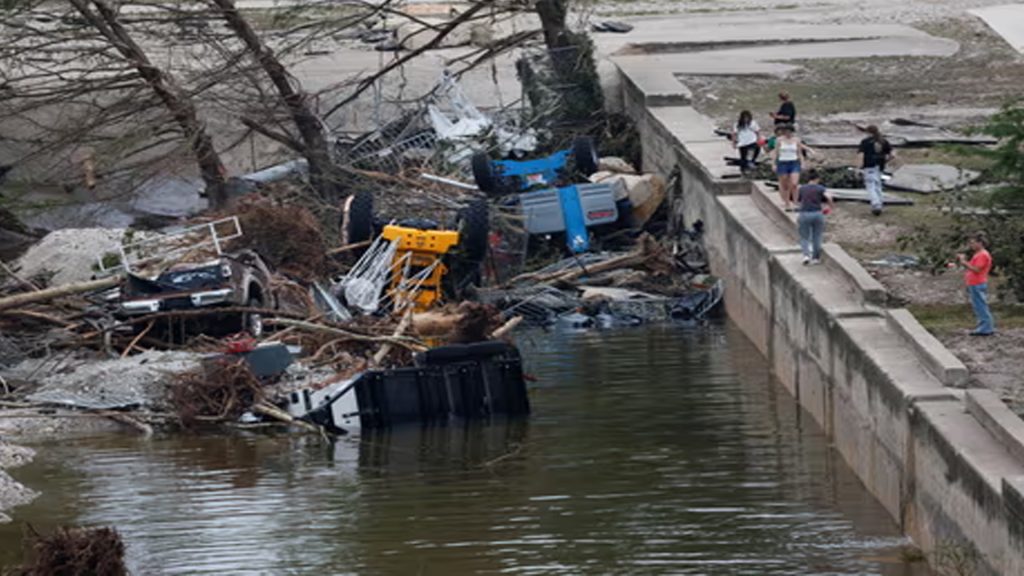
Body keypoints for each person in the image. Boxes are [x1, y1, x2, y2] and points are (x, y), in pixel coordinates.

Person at [957, 232, 995, 336]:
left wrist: (964, 262)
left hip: (977, 283)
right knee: (978, 306)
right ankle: (983, 326)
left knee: (980, 305)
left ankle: (986, 327)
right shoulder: (978, 254)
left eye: (973, 243)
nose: (971, 245)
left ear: (980, 243)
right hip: (974, 283)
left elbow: (977, 269)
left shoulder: (982, 255)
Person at [771, 124, 815, 211]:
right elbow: (776, 153)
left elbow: (799, 153)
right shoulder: (779, 140)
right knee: (785, 185)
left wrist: (802, 163)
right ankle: (787, 203)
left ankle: (795, 202)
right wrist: (774, 164)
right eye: (786, 131)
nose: (788, 133)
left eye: (790, 131)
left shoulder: (796, 140)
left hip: (794, 162)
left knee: (794, 183)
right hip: (783, 163)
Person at [796, 169, 834, 265]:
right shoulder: (821, 188)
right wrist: (830, 206)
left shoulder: (802, 188)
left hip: (805, 213)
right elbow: (829, 196)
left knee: (804, 236)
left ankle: (806, 255)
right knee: (817, 236)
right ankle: (816, 258)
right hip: (817, 213)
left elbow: (798, 201)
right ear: (817, 179)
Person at [858, 125, 894, 216]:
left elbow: (861, 155)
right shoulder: (883, 141)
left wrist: (859, 167)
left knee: (871, 186)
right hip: (880, 166)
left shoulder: (865, 142)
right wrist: (885, 161)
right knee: (878, 185)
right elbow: (892, 155)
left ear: (868, 132)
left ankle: (876, 204)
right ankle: (880, 203)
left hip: (869, 166)